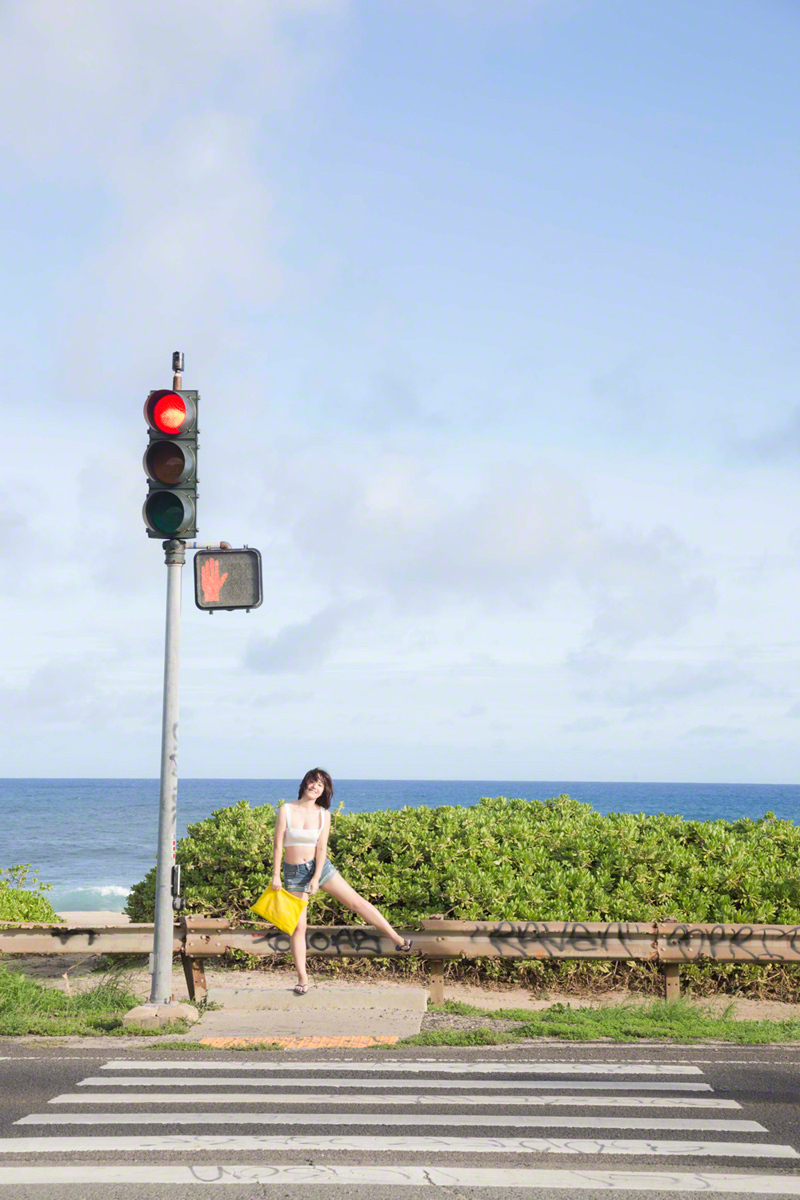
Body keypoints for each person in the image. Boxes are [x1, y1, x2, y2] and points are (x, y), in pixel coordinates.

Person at [270, 768, 413, 995]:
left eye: (320, 785)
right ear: (304, 783)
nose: (315, 787)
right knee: (298, 926)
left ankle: (397, 938)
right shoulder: (285, 810)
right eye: (312, 782)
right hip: (294, 873)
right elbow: (278, 845)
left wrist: (317, 877)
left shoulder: (323, 814)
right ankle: (303, 978)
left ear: (324, 790)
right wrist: (276, 875)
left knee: (357, 903)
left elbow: (322, 848)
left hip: (319, 868)